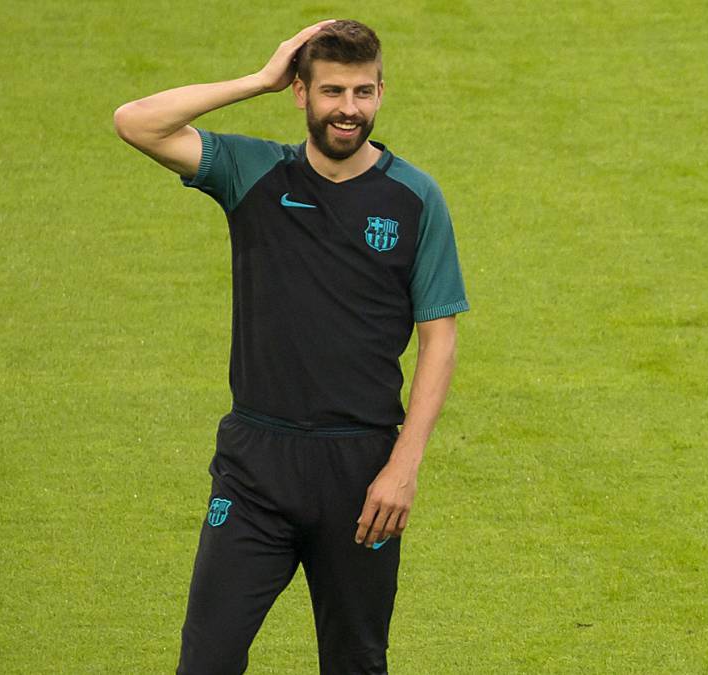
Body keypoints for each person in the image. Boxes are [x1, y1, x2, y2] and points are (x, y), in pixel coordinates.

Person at [113, 19, 467, 674]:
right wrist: (257, 79)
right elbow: (136, 122)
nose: (348, 109)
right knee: (207, 660)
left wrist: (404, 466)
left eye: (363, 92)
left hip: (361, 471)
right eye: (331, 91)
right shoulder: (253, 172)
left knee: (356, 663)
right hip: (255, 467)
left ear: (381, 92)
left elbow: (439, 339)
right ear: (300, 91)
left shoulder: (416, 198)